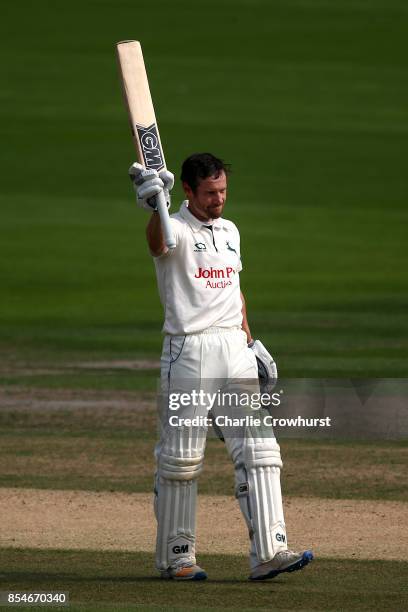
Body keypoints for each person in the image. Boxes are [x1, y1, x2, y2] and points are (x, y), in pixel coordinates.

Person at [129, 153, 313, 581]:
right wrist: (156, 202)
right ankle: (177, 557)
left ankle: (270, 552)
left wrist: (251, 341)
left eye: (223, 191)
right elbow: (157, 244)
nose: (219, 200)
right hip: (189, 351)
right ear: (188, 191)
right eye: (210, 193)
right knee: (181, 459)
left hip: (233, 347)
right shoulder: (173, 227)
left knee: (260, 451)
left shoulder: (230, 231)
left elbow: (234, 289)